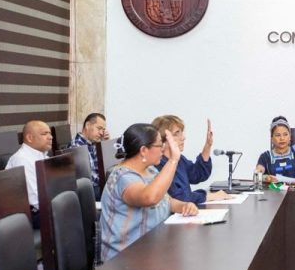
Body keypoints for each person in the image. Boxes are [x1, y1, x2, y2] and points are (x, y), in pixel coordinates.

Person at [100, 123, 199, 261]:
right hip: (124, 260)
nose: (163, 148)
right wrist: (173, 160)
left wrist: (183, 206)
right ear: (143, 150)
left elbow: (166, 201)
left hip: (151, 251)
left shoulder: (150, 170)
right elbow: (149, 198)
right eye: (159, 145)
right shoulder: (122, 177)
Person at [151, 115, 229, 204]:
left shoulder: (180, 159)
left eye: (182, 132)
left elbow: (197, 174)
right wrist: (207, 196)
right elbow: (179, 198)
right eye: (176, 133)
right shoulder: (158, 165)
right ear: (162, 139)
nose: (183, 138)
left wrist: (208, 145)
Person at [5, 120, 52, 228]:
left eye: (50, 133)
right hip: (28, 215)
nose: (50, 137)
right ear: (30, 138)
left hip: (41, 208)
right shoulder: (22, 159)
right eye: (44, 133)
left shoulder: (42, 155)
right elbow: (36, 200)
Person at [68, 112, 110, 199]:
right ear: (87, 125)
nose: (101, 133)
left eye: (103, 130)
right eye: (99, 128)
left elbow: (103, 167)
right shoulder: (77, 147)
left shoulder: (92, 143)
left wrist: (105, 144)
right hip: (89, 191)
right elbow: (89, 178)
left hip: (97, 186)